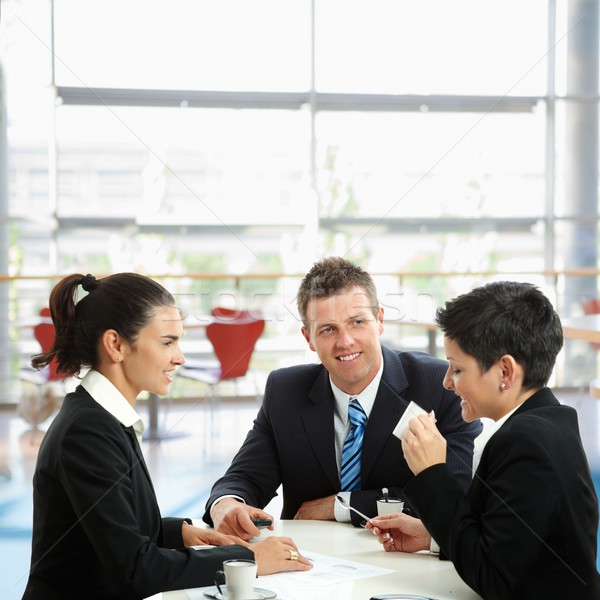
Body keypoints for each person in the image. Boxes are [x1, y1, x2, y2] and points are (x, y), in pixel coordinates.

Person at [23, 273, 311, 600]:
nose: (180, 356)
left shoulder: (102, 416)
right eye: (167, 342)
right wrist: (249, 559)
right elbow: (136, 570)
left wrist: (183, 533)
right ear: (115, 345)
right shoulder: (87, 431)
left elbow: (117, 527)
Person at [203, 257, 481, 539]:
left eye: (357, 322)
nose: (345, 341)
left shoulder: (439, 386)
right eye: (327, 329)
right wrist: (225, 504)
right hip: (311, 561)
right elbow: (246, 476)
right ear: (308, 338)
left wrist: (342, 506)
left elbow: (455, 492)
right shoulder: (285, 390)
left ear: (380, 320)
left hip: (408, 556)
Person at [368, 281, 600, 599]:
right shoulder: (550, 419)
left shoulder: (524, 443)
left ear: (505, 372)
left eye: (458, 369)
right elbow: (513, 544)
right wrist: (432, 536)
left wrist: (432, 472)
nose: (447, 382)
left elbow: (493, 577)